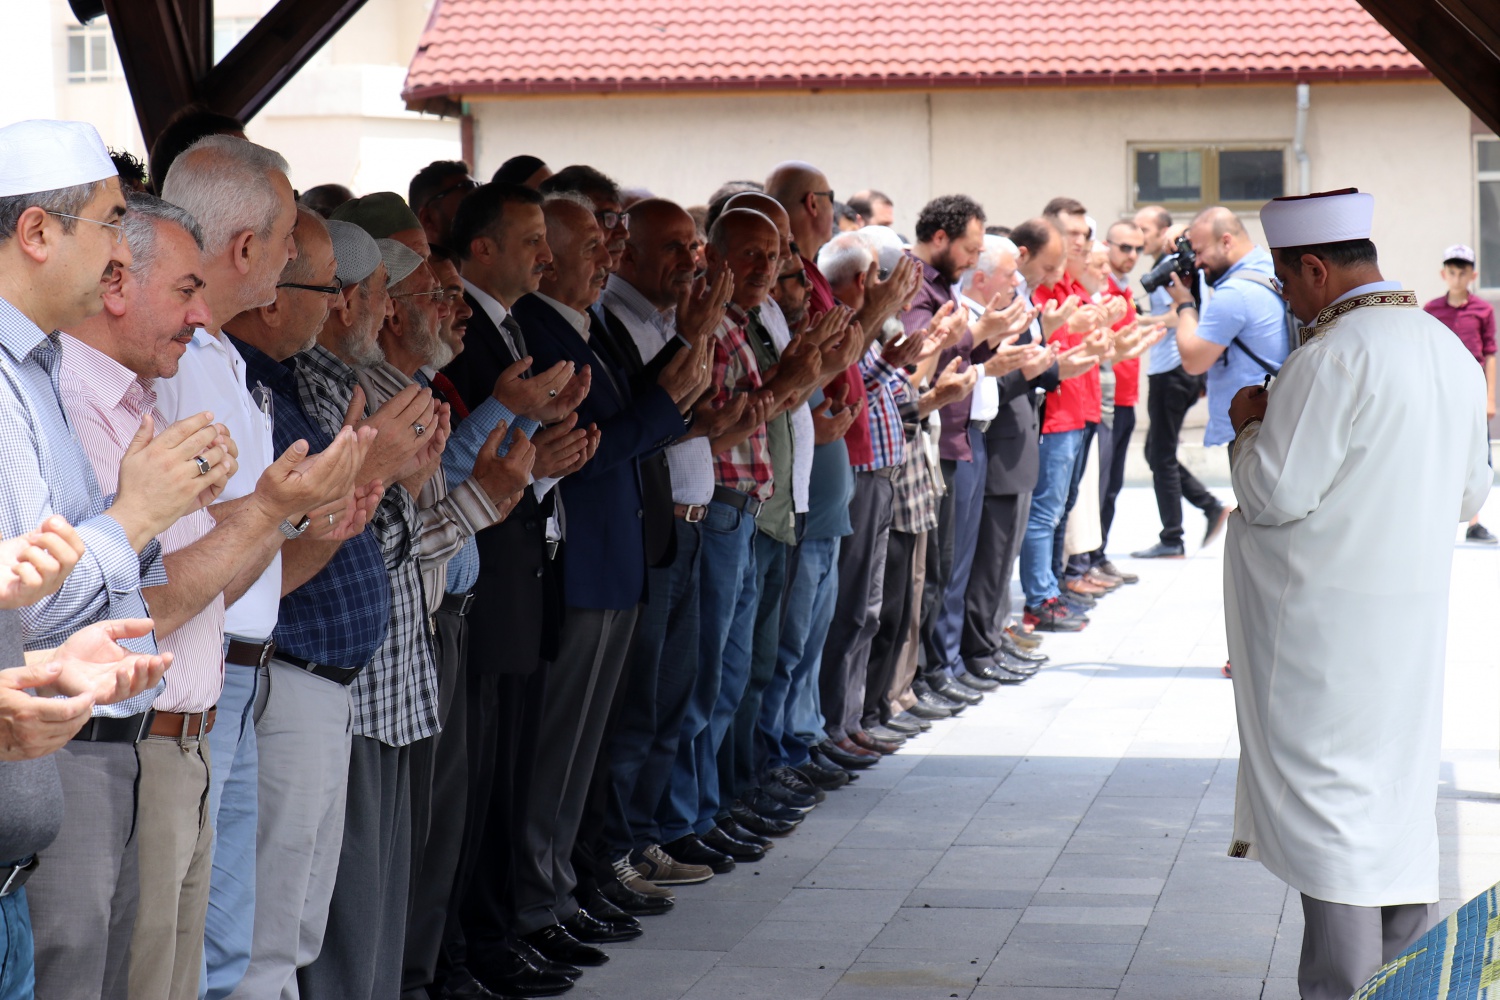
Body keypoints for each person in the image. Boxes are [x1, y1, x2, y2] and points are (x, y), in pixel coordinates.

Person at [1224, 188, 1491, 1000]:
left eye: (1284, 284)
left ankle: (1347, 990)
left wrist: (1246, 424)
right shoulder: (1442, 347)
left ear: (1313, 269)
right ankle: (1407, 985)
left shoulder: (1330, 357)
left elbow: (1272, 493)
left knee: (1333, 819)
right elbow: (1470, 493)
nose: (1287, 302)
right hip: (1405, 628)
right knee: (1395, 810)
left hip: (1324, 639)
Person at [0, 119, 235, 1000]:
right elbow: (25, 594)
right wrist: (137, 514)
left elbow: (33, 607)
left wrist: (79, 648)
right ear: (36, 233)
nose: (118, 255)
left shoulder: (34, 367)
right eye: (107, 223)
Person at [1157, 206, 1287, 551]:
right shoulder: (1270, 272)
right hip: (1279, 415)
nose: (1196, 262)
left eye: (1199, 252)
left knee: (1261, 530)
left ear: (1226, 241)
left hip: (1251, 427)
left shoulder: (1235, 293)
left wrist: (1185, 304)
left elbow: (1194, 359)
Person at [1423, 242, 1497, 543]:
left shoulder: (1483, 310)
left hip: (1473, 392)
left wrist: (1490, 397)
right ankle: (1434, 518)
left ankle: (1474, 521)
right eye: (1451, 272)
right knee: (1438, 451)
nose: (1456, 277)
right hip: (1441, 391)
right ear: (1443, 274)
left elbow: (1490, 353)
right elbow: (1425, 352)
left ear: (1473, 275)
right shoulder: (1431, 310)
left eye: (1462, 272)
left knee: (1477, 453)